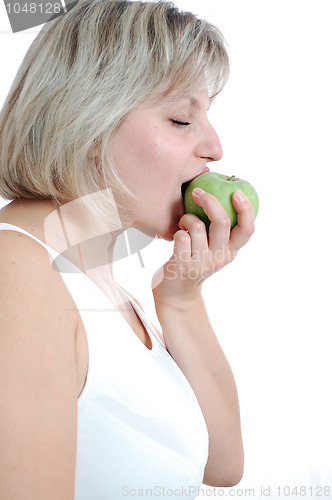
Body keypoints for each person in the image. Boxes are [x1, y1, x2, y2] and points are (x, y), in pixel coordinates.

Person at [0, 1, 255, 498]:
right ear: (87, 121)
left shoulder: (95, 282)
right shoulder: (18, 273)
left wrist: (181, 299)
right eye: (182, 119)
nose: (215, 148)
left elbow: (221, 464)